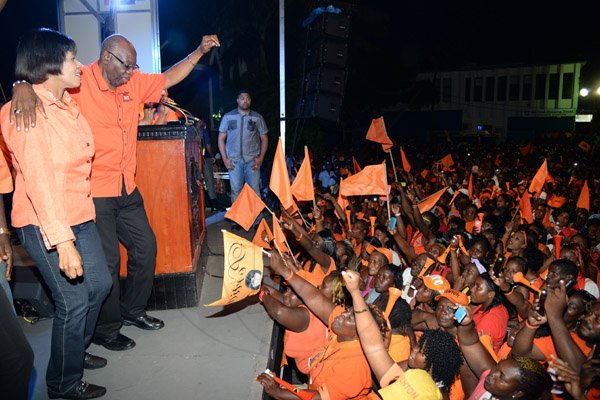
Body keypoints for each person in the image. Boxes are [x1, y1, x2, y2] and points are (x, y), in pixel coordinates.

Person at [10, 32, 220, 351]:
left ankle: (133, 311)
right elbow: (44, 88)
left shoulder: (131, 83)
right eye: (127, 66)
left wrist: (199, 51)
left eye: (135, 68)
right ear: (108, 58)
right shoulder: (80, 83)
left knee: (145, 247)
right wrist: (20, 84)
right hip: (94, 191)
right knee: (107, 264)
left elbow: (167, 78)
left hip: (126, 185)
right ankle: (106, 329)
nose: (132, 73)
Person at [1, 28, 113, 399]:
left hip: (78, 214)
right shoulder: (24, 109)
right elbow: (39, 180)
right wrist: (62, 242)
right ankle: (63, 384)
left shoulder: (66, 105)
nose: (80, 65)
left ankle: (73, 352)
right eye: (71, 59)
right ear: (49, 64)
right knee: (73, 301)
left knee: (100, 285)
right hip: (44, 222)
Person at [217, 90, 268, 207]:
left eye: (248, 98)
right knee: (235, 191)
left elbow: (264, 138)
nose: (245, 101)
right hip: (234, 161)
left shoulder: (257, 117)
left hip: (252, 161)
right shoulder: (228, 117)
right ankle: (237, 222)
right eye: (242, 98)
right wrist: (225, 160)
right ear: (237, 100)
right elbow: (221, 139)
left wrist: (261, 158)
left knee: (254, 191)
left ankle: (255, 221)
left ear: (250, 101)